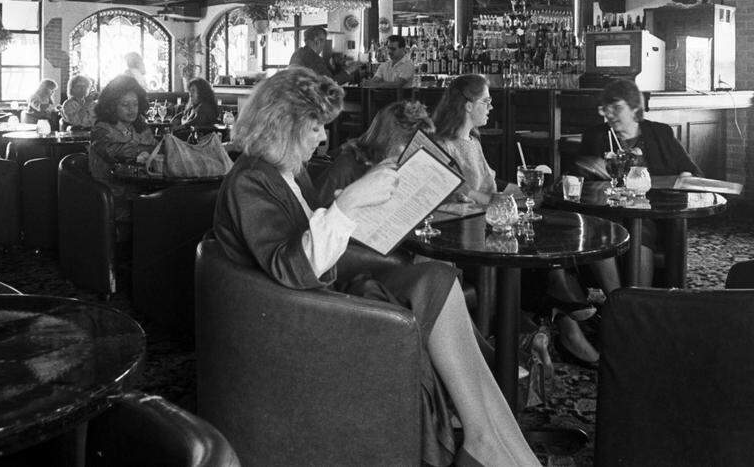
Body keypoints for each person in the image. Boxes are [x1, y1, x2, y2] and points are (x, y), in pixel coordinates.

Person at [214, 67, 541, 467]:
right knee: (434, 281)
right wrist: (348, 202)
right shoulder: (250, 180)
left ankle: (504, 447)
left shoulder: (282, 172)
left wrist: (358, 208)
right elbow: (291, 267)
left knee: (438, 276)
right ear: (284, 124)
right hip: (301, 318)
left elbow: (308, 237)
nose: (322, 137)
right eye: (315, 127)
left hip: (316, 298)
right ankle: (487, 444)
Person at [432, 74, 601, 368]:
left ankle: (561, 317)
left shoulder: (473, 140)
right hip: (466, 231)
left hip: (492, 221)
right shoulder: (442, 144)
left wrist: (526, 191)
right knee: (535, 252)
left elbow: (492, 183)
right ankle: (565, 314)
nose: (491, 107)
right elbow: (463, 192)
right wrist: (508, 200)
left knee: (547, 231)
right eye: (486, 101)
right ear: (468, 105)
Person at [572, 77, 700, 289]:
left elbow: (690, 170)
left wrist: (684, 176)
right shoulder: (595, 136)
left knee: (641, 228)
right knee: (599, 230)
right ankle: (617, 299)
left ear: (634, 109)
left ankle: (638, 299)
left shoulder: (660, 133)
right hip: (608, 212)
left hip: (651, 213)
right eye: (606, 109)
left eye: (616, 108)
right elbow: (575, 178)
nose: (610, 114)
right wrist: (588, 165)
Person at [317, 99, 432, 204]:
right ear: (385, 140)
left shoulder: (403, 166)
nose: (414, 155)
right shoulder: (346, 168)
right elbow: (319, 213)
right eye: (409, 146)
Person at [88, 75, 158, 229]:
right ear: (111, 106)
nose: (132, 109)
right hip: (113, 196)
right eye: (125, 104)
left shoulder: (140, 126)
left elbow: (156, 149)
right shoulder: (102, 129)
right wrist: (148, 151)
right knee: (159, 207)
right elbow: (114, 151)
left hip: (141, 189)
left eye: (135, 104)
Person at [288, 26, 357, 85]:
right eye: (324, 41)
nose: (324, 45)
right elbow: (330, 83)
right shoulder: (313, 58)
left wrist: (337, 65)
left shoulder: (298, 53)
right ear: (317, 41)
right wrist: (349, 70)